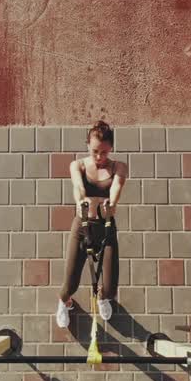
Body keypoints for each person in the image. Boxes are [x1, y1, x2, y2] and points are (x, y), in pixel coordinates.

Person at [55, 120, 127, 329]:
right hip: (83, 227)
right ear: (88, 145)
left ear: (111, 148)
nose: (99, 157)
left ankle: (102, 298)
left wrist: (112, 203)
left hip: (105, 228)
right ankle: (64, 302)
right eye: (95, 151)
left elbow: (116, 187)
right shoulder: (77, 165)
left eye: (104, 152)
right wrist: (80, 201)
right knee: (70, 284)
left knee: (111, 287)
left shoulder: (119, 167)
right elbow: (77, 186)